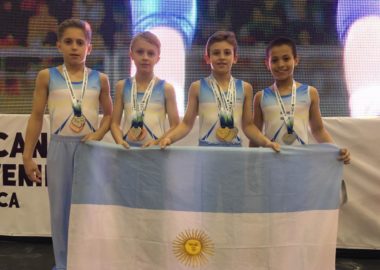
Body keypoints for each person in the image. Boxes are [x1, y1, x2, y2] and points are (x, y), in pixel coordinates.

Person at [22, 19, 113, 270]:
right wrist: (27, 156)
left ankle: (90, 260)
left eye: (80, 43)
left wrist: (97, 135)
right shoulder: (46, 77)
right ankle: (63, 263)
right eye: (69, 42)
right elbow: (37, 116)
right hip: (60, 147)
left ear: (89, 48)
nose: (75, 47)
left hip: (91, 149)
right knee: (60, 209)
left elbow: (110, 115)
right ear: (59, 45)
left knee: (90, 208)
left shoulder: (100, 79)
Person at [158, 31, 280, 151]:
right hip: (206, 156)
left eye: (227, 53)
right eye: (216, 53)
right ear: (207, 58)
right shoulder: (197, 87)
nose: (222, 57)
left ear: (235, 58)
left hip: (234, 157)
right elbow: (186, 124)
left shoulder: (245, 88)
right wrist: (169, 139)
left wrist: (266, 142)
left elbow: (248, 126)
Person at [249, 36, 350, 164]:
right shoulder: (261, 97)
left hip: (301, 163)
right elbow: (255, 136)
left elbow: (318, 130)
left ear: (296, 60)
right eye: (274, 60)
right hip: (271, 164)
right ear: (267, 64)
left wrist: (336, 150)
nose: (281, 64)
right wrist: (250, 165)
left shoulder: (310, 93)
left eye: (286, 59)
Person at [110, 31, 179, 148]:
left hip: (155, 152)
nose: (145, 57)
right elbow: (114, 123)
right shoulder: (122, 86)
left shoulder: (167, 89)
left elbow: (176, 126)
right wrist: (119, 141)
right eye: (140, 52)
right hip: (128, 151)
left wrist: (157, 142)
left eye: (151, 53)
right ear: (131, 54)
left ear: (158, 58)